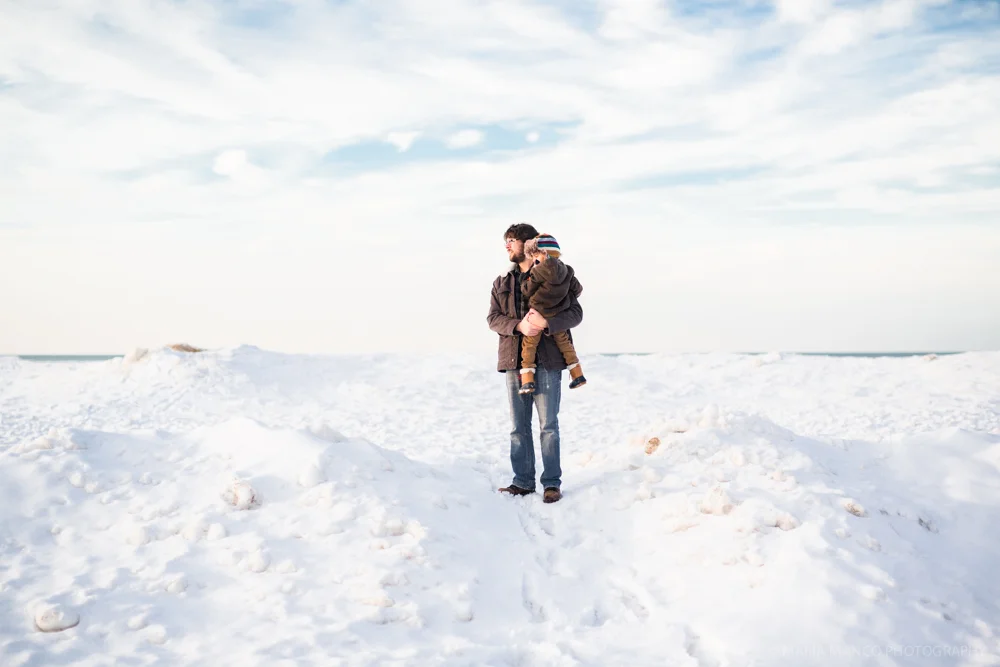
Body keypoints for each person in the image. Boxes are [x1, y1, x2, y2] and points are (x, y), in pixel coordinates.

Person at [487, 223, 583, 504]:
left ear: (529, 243)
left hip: (549, 359)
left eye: (512, 240)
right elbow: (493, 319)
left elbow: (575, 313)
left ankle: (551, 483)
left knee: (548, 426)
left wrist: (548, 323)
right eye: (506, 241)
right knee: (518, 427)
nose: (507, 245)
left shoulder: (557, 275)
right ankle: (523, 481)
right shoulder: (502, 281)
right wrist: (518, 326)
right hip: (514, 360)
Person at [518, 233, 586, 395]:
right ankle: (578, 375)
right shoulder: (568, 271)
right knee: (565, 345)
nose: (534, 259)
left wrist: (529, 275)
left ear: (543, 253)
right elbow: (578, 289)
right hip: (556, 315)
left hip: (537, 314)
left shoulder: (538, 271)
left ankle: (527, 381)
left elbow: (526, 291)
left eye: (535, 255)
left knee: (529, 346)